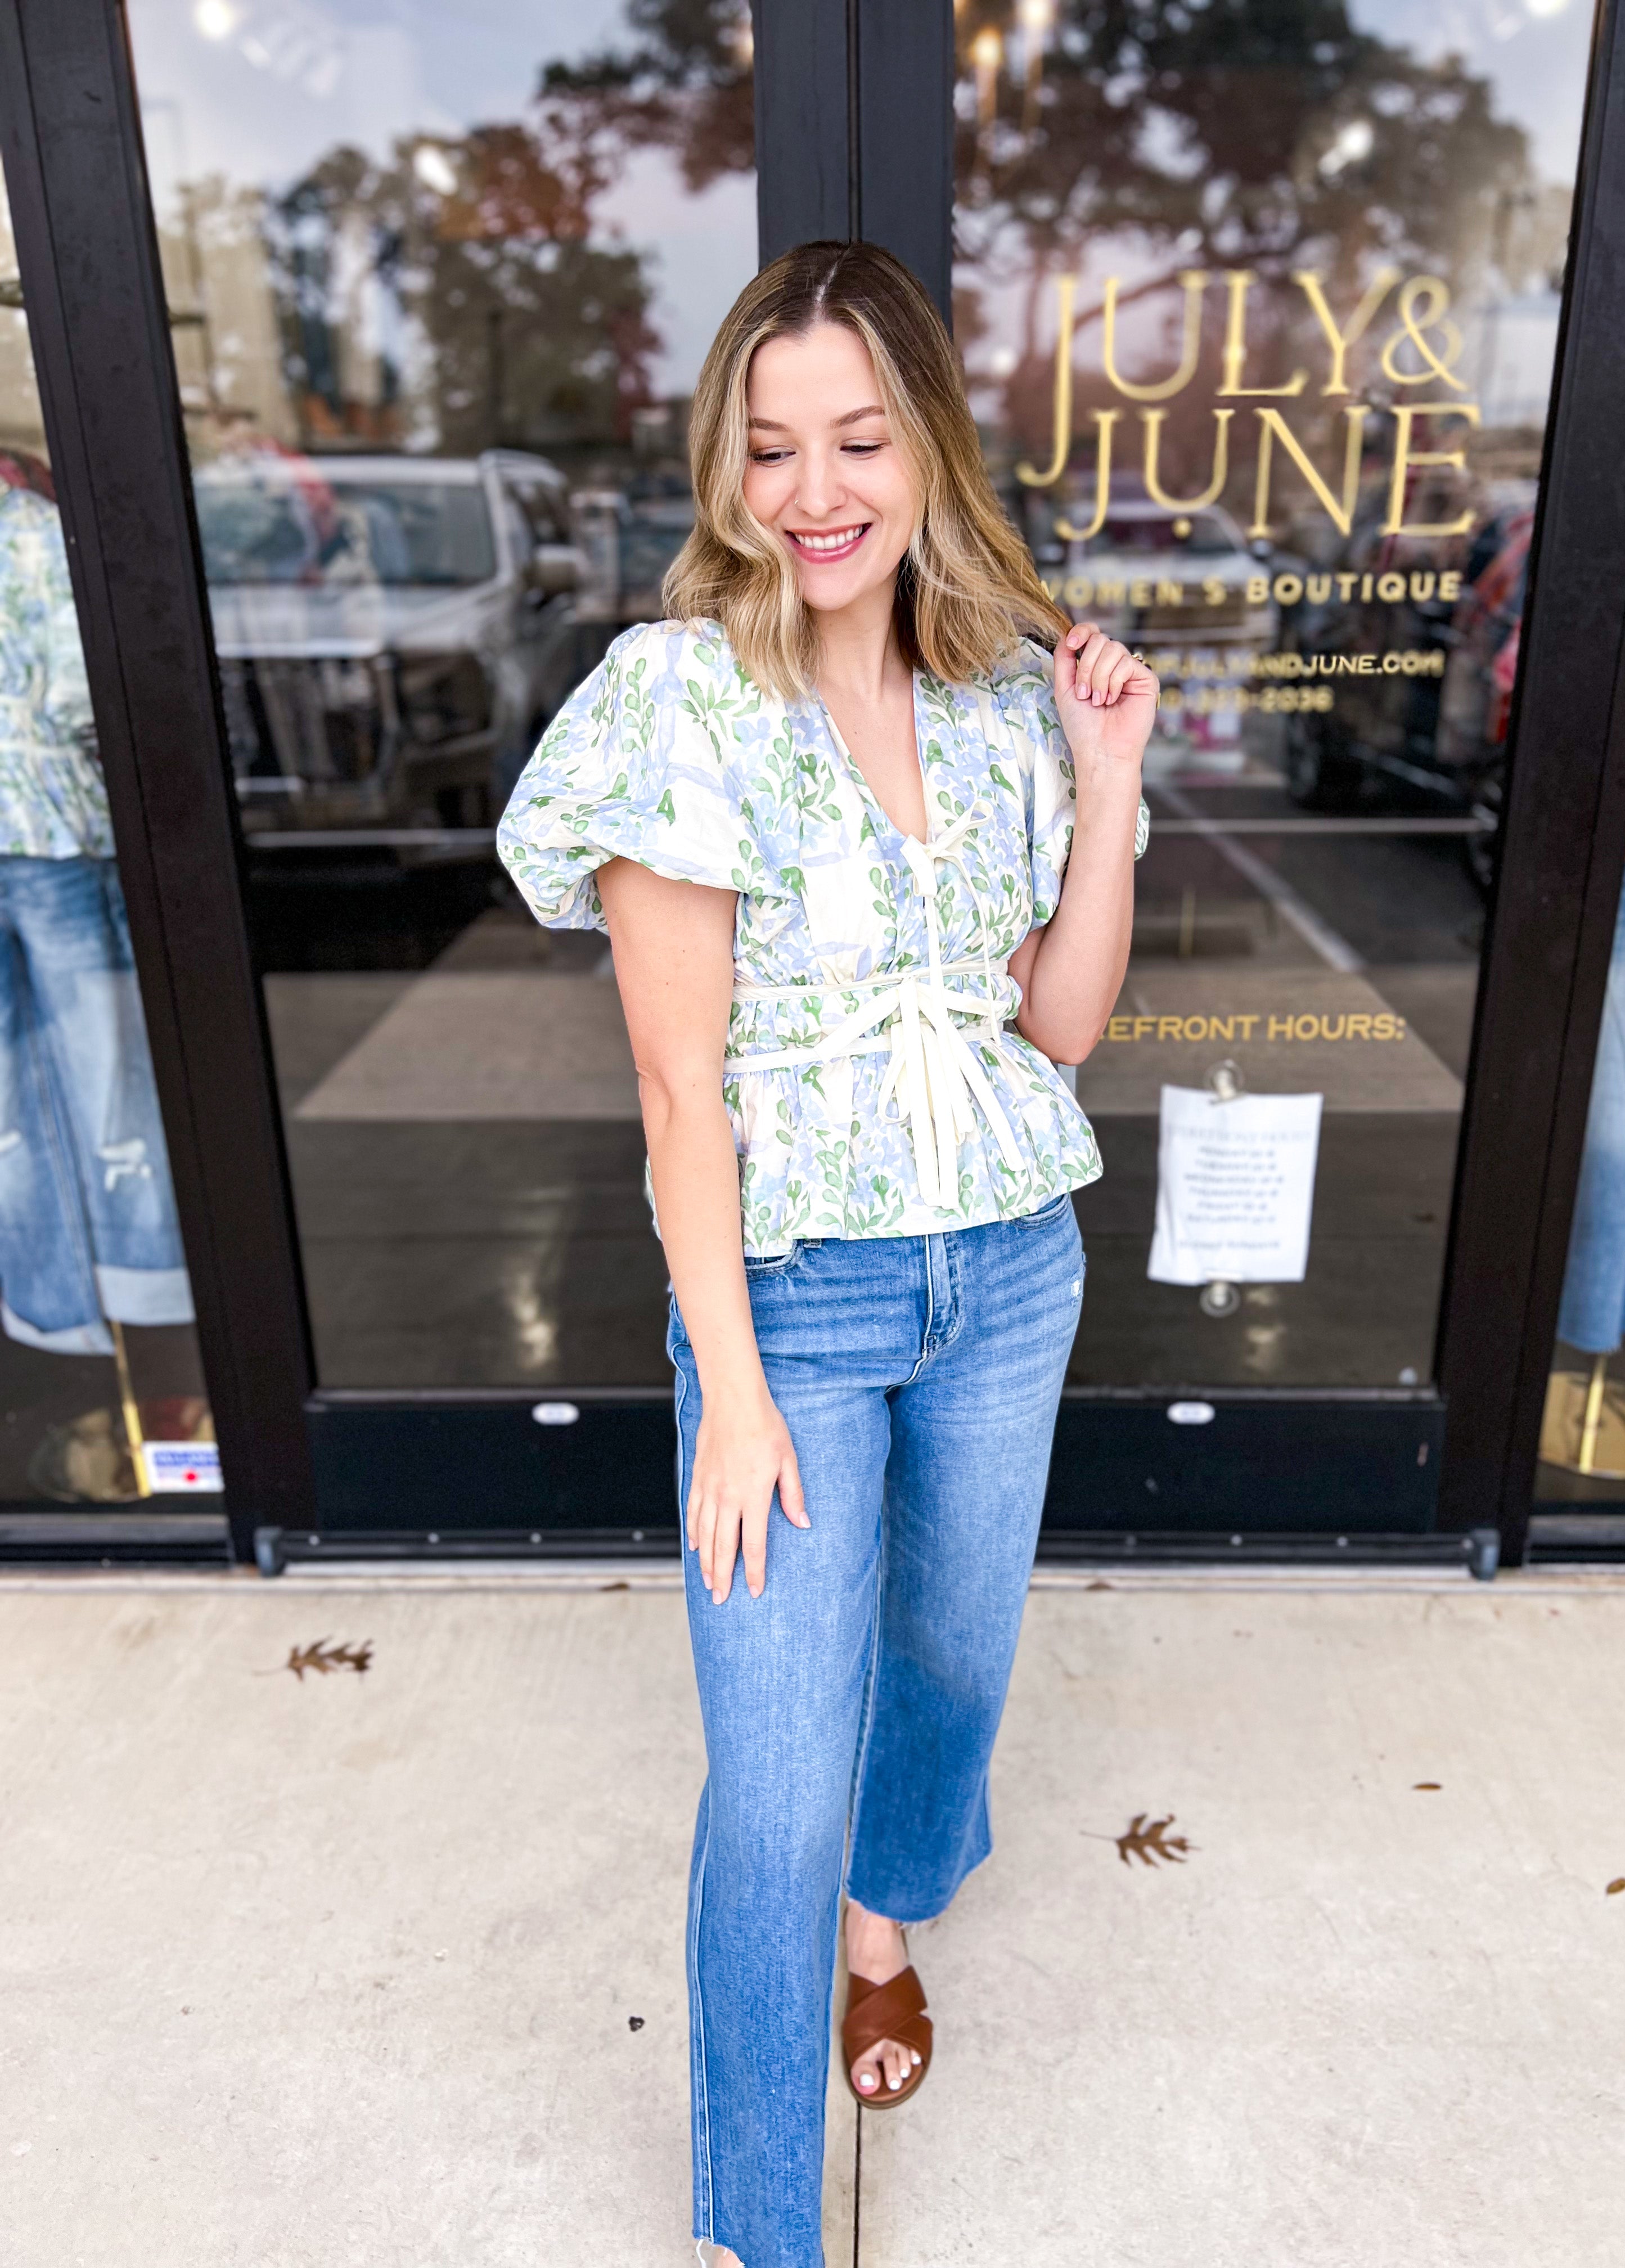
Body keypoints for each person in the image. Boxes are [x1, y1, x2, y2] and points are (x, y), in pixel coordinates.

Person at [498, 239, 1153, 2268]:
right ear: (728, 464)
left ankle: (894, 1931)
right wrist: (732, 1391)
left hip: (1009, 1269)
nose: (818, 487)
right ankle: (761, 2227)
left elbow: (1056, 1025)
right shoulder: (679, 697)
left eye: (861, 436)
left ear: (928, 451)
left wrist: (1112, 787)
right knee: (772, 1777)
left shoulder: (989, 701)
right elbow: (682, 1099)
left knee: (953, 1666)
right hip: (797, 1293)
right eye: (773, 445)